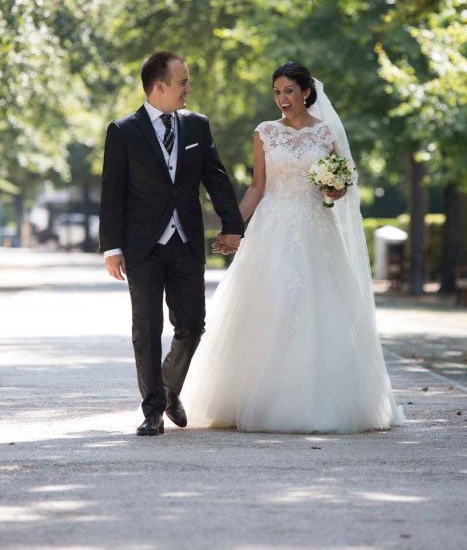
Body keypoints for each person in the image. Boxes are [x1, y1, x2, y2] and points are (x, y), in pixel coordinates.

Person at [182, 61, 405, 434]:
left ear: (306, 91)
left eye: (288, 91)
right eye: (276, 92)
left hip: (317, 231)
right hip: (271, 230)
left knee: (319, 309)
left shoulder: (326, 133)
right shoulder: (265, 133)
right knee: (270, 306)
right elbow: (257, 187)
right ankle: (258, 399)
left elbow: (339, 189)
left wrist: (336, 188)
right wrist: (233, 227)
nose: (282, 99)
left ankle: (315, 401)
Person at [99, 51, 244, 436]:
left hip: (185, 241)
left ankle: (169, 388)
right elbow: (112, 192)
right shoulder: (123, 131)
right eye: (183, 82)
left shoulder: (197, 125)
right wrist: (111, 247)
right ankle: (153, 410)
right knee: (146, 328)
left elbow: (216, 178)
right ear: (160, 86)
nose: (188, 89)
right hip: (142, 245)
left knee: (192, 324)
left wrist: (233, 225)